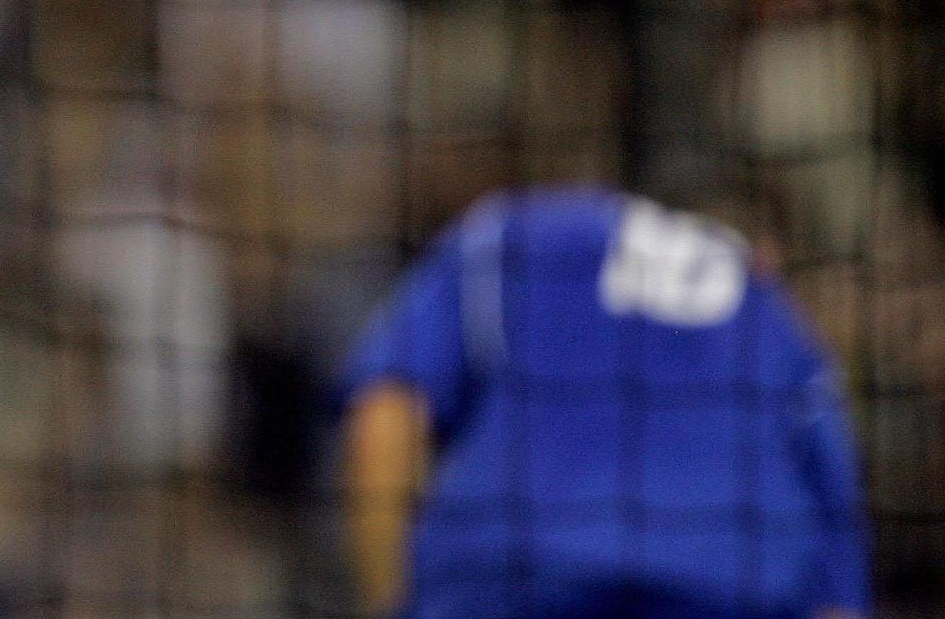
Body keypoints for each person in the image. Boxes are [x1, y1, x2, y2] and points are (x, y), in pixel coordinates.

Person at [339, 186, 868, 619]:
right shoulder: (775, 317)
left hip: (508, 583)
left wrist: (390, 602)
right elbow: (835, 604)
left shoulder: (512, 234)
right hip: (725, 592)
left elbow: (385, 416)